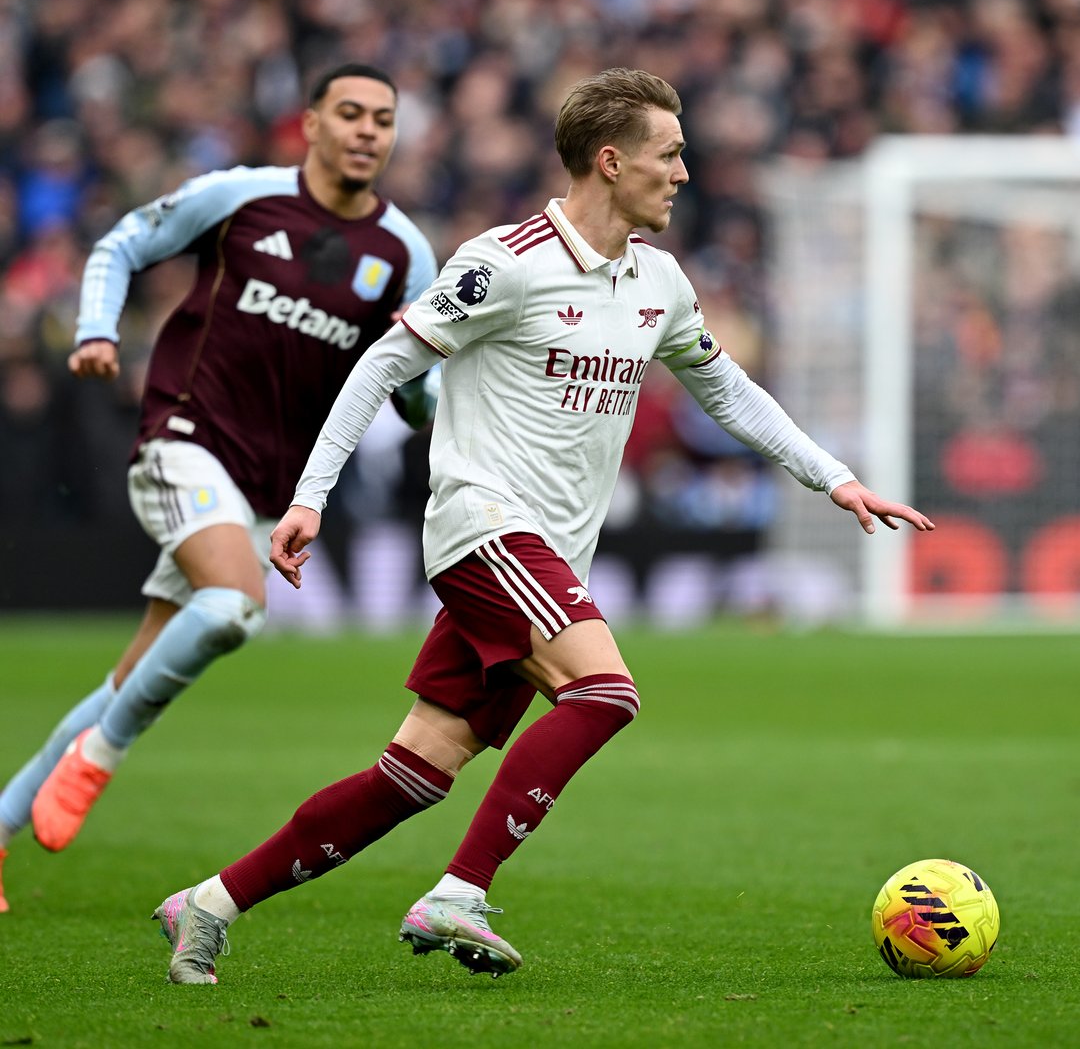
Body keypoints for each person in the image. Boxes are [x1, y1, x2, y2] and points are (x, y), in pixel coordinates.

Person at [151, 67, 934, 984]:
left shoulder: (659, 282)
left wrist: (834, 480)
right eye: (669, 153)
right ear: (611, 161)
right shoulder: (506, 262)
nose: (685, 171)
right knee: (606, 694)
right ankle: (460, 893)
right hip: (485, 528)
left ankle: (209, 902)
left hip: (548, 554)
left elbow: (725, 388)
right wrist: (311, 496)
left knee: (412, 774)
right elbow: (379, 367)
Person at [0, 63, 439, 913]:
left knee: (133, 675)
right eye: (349, 113)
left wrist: (428, 376)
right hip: (182, 442)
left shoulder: (405, 254)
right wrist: (95, 330)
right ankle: (102, 757)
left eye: (382, 120)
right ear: (309, 124)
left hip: (262, 490)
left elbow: (414, 394)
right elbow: (123, 242)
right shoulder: (245, 198)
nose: (366, 132)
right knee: (236, 607)